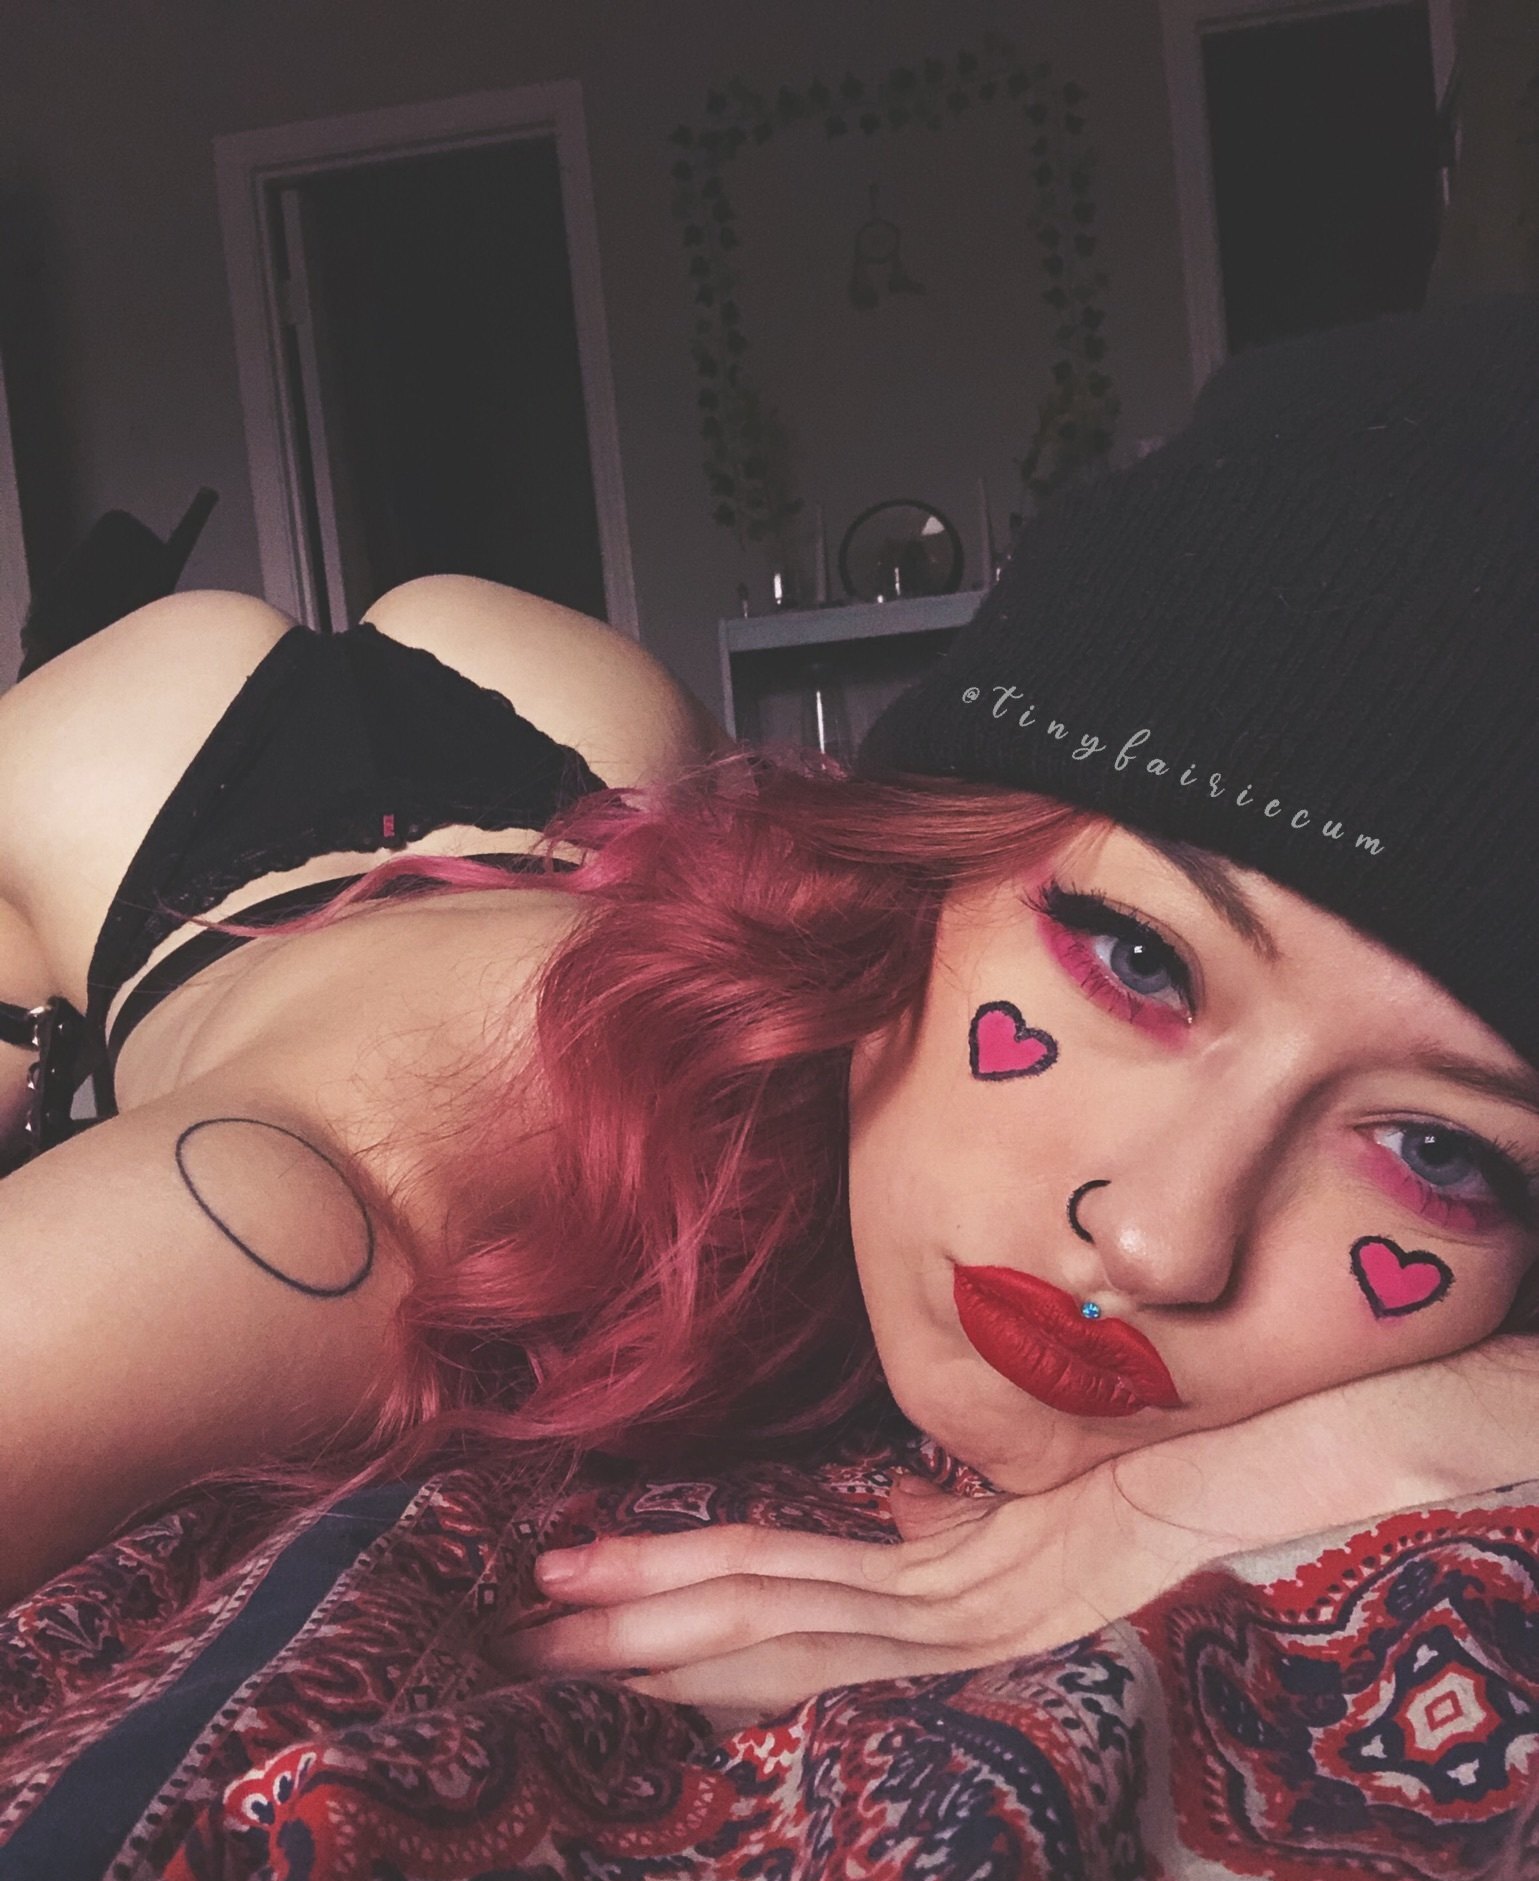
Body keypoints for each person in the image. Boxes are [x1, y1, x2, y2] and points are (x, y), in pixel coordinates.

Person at [4, 298, 1539, 1732]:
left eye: (1440, 1154)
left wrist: (1324, 1460)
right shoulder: (391, 1176)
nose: (1158, 1246)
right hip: (143, 774)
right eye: (1137, 959)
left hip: (582, 761)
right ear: (908, 876)